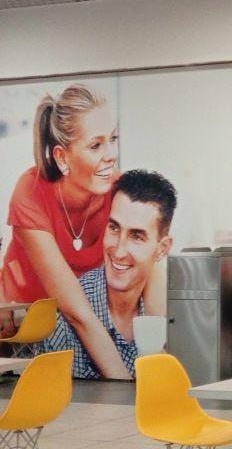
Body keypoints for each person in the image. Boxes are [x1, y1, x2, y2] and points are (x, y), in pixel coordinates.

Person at [0, 84, 150, 379]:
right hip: (17, 333)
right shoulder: (31, 192)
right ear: (62, 157)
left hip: (73, 333)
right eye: (96, 146)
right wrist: (125, 385)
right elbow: (76, 312)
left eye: (113, 139)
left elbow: (151, 263)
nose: (111, 155)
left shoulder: (117, 192)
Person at [44, 169, 176, 378]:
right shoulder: (62, 326)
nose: (119, 250)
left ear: (162, 249)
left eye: (137, 237)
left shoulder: (173, 316)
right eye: (114, 228)